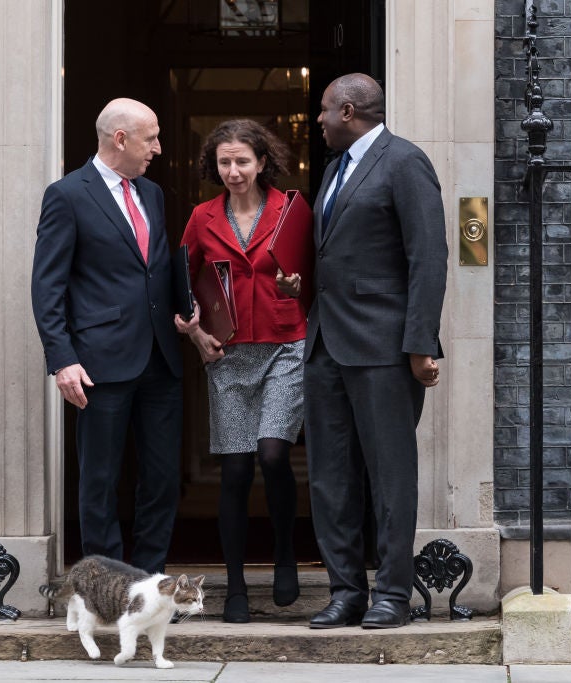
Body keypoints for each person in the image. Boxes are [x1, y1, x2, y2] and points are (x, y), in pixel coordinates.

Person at [295, 74, 447, 629]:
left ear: (349, 110)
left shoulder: (404, 162)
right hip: (326, 345)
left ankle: (392, 593)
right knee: (330, 477)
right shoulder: (335, 170)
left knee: (389, 476)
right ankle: (345, 591)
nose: (319, 121)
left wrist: (419, 344)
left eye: (324, 112)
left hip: (383, 348)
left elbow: (429, 258)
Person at [31, 98, 183, 575]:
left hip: (161, 357)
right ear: (121, 139)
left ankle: (151, 583)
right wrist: (62, 359)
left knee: (161, 478)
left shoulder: (152, 194)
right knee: (99, 480)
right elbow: (47, 284)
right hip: (99, 362)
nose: (158, 148)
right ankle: (109, 586)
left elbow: (155, 270)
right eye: (151, 138)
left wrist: (191, 318)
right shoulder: (67, 195)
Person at [175, 119, 307, 623]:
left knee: (273, 455)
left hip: (284, 343)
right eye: (225, 162)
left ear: (262, 162)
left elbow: (314, 275)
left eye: (243, 161)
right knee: (235, 470)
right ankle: (234, 587)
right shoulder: (202, 217)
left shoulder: (291, 210)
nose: (233, 171)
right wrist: (193, 330)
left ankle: (286, 555)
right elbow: (180, 287)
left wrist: (299, 286)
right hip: (227, 355)